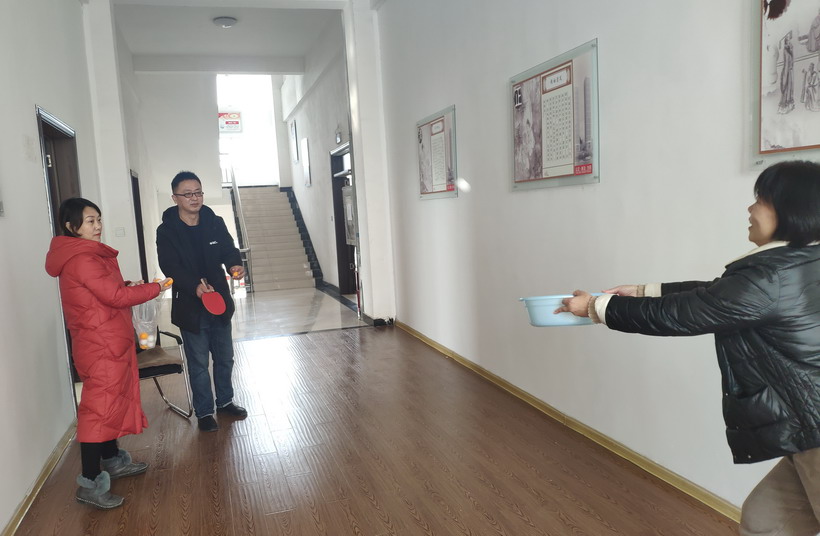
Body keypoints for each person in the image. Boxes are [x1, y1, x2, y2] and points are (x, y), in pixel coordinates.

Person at [556, 160, 820, 535]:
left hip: (814, 428)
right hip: (807, 429)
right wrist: (643, 291)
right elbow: (717, 295)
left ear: (792, 210)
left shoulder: (770, 277)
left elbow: (684, 314)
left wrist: (596, 307)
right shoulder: (798, 263)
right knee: (764, 522)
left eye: (761, 200)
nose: (750, 209)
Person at [45, 198, 171, 509]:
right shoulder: (81, 258)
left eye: (98, 219)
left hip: (105, 341)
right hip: (100, 344)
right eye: (90, 221)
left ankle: (112, 459)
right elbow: (114, 296)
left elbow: (103, 291)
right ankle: (89, 483)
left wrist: (129, 285)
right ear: (71, 226)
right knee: (97, 411)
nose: (98, 225)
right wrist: (155, 288)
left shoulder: (85, 254)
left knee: (109, 404)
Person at [156, 171, 247, 432]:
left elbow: (229, 249)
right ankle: (205, 412)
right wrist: (194, 286)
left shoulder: (214, 222)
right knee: (198, 363)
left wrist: (234, 265)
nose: (194, 198)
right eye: (187, 194)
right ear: (175, 198)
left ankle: (225, 401)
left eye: (198, 192)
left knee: (225, 357)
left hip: (218, 302)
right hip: (190, 306)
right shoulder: (166, 230)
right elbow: (169, 265)